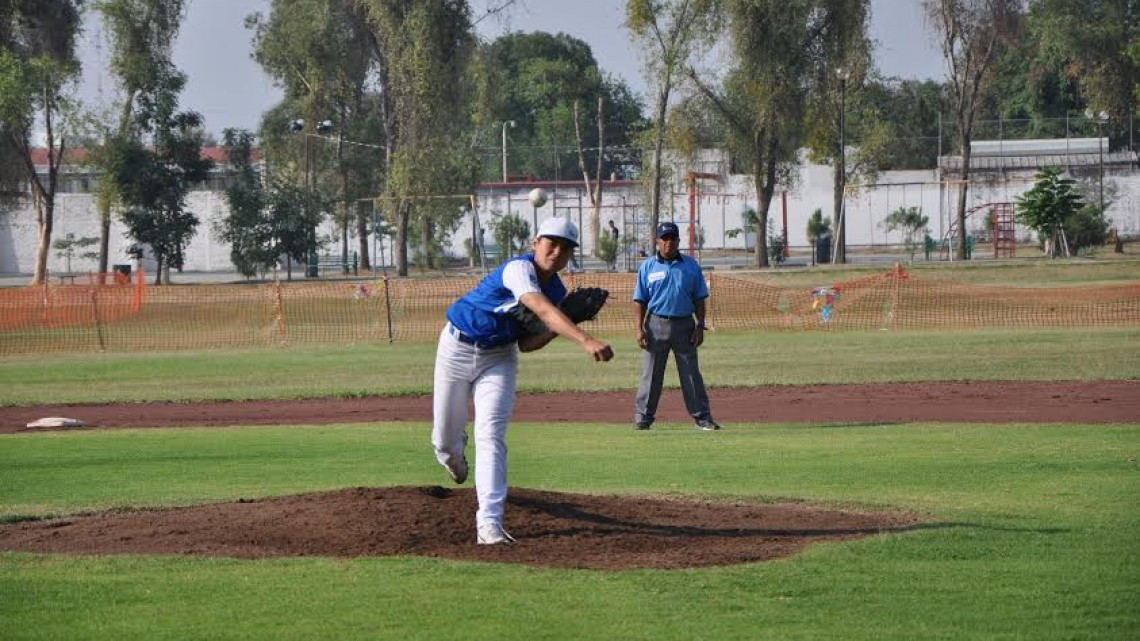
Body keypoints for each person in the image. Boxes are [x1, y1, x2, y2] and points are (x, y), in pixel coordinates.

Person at [432, 217, 614, 545]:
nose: (557, 252)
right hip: (456, 349)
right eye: (551, 243)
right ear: (535, 244)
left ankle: (489, 523)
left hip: (499, 358)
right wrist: (584, 338)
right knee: (444, 441)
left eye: (565, 248)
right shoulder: (518, 269)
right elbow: (539, 308)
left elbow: (527, 344)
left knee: (491, 435)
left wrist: (561, 324)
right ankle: (452, 454)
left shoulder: (556, 291)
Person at [632, 221, 720, 431]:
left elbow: (699, 298)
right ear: (657, 241)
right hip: (656, 324)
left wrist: (700, 326)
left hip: (685, 325)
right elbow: (639, 300)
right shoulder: (648, 267)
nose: (669, 242)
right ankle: (643, 418)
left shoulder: (690, 265)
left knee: (691, 373)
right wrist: (639, 329)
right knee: (651, 374)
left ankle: (702, 418)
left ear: (679, 241)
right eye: (665, 238)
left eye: (673, 238)